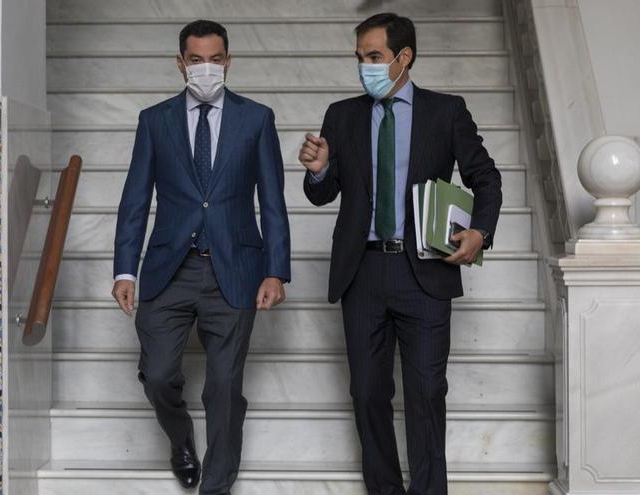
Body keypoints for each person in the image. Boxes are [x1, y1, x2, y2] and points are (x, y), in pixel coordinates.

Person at [298, 12, 502, 495]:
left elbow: (486, 178)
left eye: (374, 57)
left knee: (427, 394)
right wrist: (321, 170)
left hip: (425, 273)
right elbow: (322, 196)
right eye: (360, 58)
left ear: (403, 57)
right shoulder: (341, 115)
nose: (364, 67)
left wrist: (479, 232)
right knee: (367, 393)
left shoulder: (445, 111)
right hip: (362, 272)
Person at [112, 19, 291, 495]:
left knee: (224, 389)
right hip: (169, 269)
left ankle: (216, 485)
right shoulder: (155, 120)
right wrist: (125, 269)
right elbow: (135, 199)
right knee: (159, 375)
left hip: (235, 268)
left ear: (228, 62)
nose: (206, 68)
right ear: (181, 64)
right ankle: (180, 439)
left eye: (215, 59)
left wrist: (276, 269)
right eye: (196, 59)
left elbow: (272, 201)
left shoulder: (256, 118)